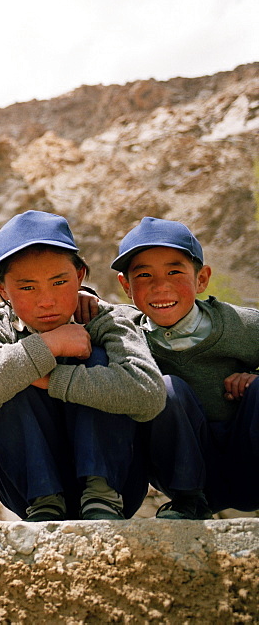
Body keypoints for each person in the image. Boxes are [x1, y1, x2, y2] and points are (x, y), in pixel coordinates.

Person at [0, 211, 164, 521]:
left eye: (59, 282)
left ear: (79, 276)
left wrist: (52, 379)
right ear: (1, 288)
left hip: (119, 488)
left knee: (97, 357)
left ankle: (100, 493)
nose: (47, 301)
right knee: (3, 368)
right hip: (27, 495)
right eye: (27, 288)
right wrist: (48, 346)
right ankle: (45, 499)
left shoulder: (105, 320)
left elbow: (149, 394)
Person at [111, 217, 259, 519]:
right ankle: (188, 501)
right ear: (126, 285)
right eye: (143, 275)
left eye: (175, 271)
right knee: (165, 389)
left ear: (201, 279)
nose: (160, 286)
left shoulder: (243, 326)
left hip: (249, 464)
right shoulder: (124, 334)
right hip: (183, 477)